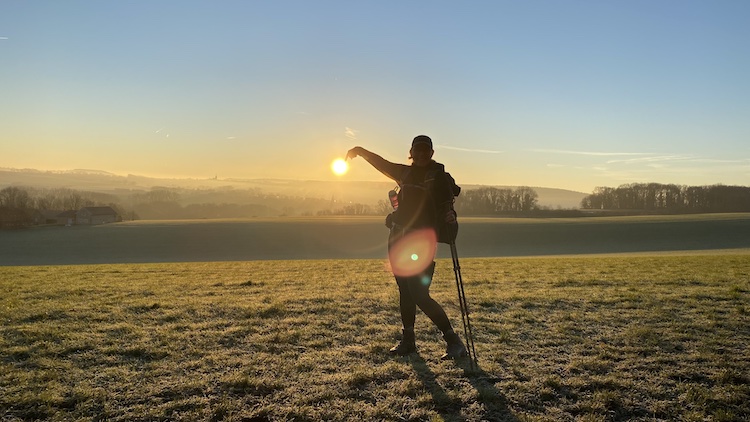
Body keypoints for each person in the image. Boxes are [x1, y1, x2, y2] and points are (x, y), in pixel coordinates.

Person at [346, 135, 467, 360]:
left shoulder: (439, 178)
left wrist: (451, 216)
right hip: (398, 238)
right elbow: (382, 164)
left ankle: (454, 341)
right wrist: (361, 151)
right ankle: (408, 340)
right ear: (411, 152)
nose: (421, 154)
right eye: (417, 150)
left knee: (419, 294)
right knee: (404, 290)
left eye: (425, 150)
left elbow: (448, 207)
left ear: (431, 153)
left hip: (422, 242)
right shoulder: (405, 173)